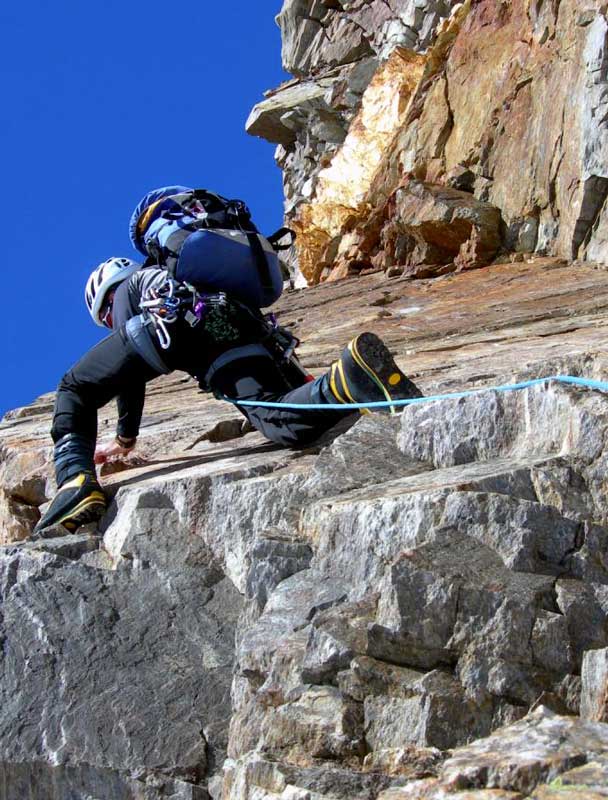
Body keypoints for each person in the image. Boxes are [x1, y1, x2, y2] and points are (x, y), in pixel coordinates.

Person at [33, 187, 422, 536]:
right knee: (282, 423)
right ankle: (345, 382)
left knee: (74, 387)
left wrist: (124, 439)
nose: (108, 326)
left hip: (185, 329)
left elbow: (126, 378)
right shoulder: (191, 274)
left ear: (104, 300)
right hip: (241, 325)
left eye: (104, 319)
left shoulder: (127, 294)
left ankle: (74, 483)